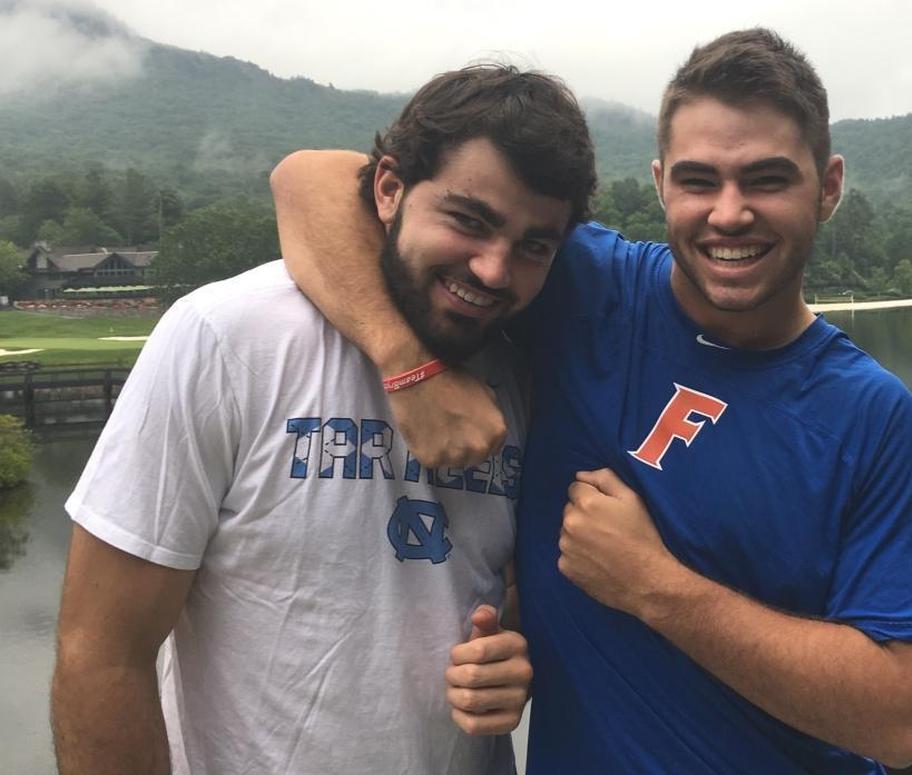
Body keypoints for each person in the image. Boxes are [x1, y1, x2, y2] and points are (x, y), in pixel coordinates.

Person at [272, 28, 912, 773]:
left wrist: (655, 587)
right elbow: (307, 180)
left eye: (767, 179)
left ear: (827, 187)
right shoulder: (583, 288)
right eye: (700, 180)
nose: (729, 213)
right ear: (663, 182)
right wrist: (407, 366)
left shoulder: (869, 415)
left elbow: (901, 718)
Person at [50, 64, 597, 775]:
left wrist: (507, 662)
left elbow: (488, 590)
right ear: (389, 189)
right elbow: (101, 651)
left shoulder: (526, 368)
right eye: (469, 220)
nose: (494, 269)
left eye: (533, 245)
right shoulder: (228, 336)